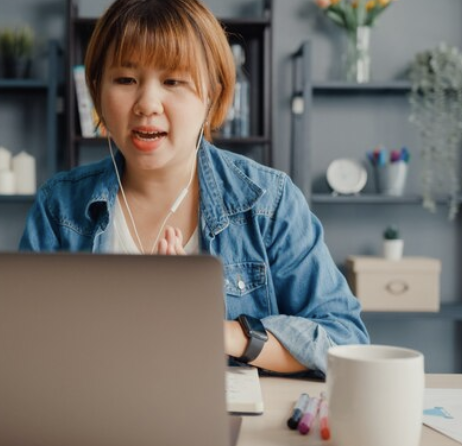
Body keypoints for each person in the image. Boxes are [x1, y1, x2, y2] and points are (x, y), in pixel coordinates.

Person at [20, 0, 369, 375]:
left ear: (212, 97)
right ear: (96, 92)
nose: (147, 104)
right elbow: (20, 341)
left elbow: (344, 340)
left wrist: (219, 332)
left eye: (173, 81)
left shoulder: (269, 201)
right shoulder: (59, 205)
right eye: (125, 80)